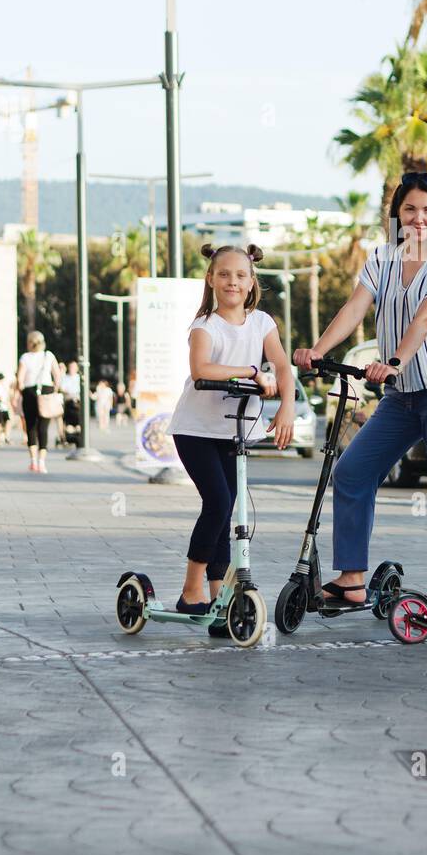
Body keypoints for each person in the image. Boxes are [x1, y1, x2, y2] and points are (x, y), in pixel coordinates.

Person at [294, 172, 427, 615]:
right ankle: (352, 580)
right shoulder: (383, 257)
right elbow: (355, 306)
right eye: (410, 209)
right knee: (352, 472)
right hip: (402, 396)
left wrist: (393, 361)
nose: (418, 218)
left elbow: (426, 319)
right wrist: (317, 351)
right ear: (397, 214)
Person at [168, 243, 293, 631]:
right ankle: (192, 589)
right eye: (224, 274)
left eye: (240, 275)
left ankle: (220, 593)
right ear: (210, 279)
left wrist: (286, 405)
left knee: (230, 511)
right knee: (219, 503)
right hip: (195, 430)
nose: (232, 282)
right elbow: (201, 366)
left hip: (235, 431)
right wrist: (252, 372)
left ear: (252, 280)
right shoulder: (204, 326)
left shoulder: (261, 323)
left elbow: (284, 366)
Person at [16, 331, 62, 473]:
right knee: (43, 427)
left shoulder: (25, 357)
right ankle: (42, 463)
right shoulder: (49, 355)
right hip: (46, 390)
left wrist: (22, 391)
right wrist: (55, 389)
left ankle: (33, 461)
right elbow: (57, 375)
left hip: (30, 392)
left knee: (31, 426)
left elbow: (20, 379)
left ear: (29, 342)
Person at [61, 360, 81, 447]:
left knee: (78, 422)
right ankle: (69, 438)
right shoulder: (65, 378)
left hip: (78, 402)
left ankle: (78, 438)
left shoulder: (79, 378)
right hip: (69, 402)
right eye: (71, 367)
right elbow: (62, 388)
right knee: (68, 423)